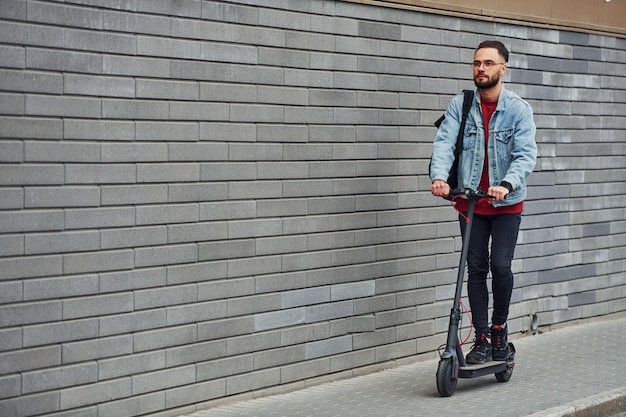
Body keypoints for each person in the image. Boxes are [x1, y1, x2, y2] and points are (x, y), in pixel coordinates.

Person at [430, 40, 537, 364]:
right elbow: (444, 143)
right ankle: (482, 338)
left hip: (506, 205)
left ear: (503, 68)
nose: (481, 68)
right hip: (470, 202)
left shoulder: (518, 109)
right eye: (477, 63)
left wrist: (506, 183)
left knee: (500, 266)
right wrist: (439, 177)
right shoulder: (461, 105)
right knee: (475, 268)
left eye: (489, 63)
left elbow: (525, 155)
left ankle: (499, 328)